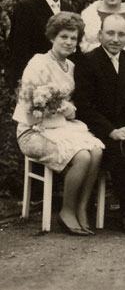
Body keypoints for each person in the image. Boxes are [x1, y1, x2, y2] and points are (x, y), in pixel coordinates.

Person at [13, 12, 104, 235]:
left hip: (62, 127)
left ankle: (81, 208)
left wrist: (69, 108)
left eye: (73, 38)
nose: (69, 42)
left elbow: (71, 103)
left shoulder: (71, 66)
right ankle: (67, 210)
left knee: (96, 152)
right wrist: (58, 107)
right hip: (33, 130)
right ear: (53, 36)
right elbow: (29, 105)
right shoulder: (38, 62)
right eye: (64, 36)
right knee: (82, 156)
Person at [74, 14, 125, 235]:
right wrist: (111, 131)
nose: (115, 39)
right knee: (123, 156)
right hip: (98, 129)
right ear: (100, 34)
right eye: (110, 33)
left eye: (121, 34)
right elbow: (84, 107)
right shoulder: (87, 61)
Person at [7, 0, 75, 89]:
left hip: (65, 82)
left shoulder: (69, 9)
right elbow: (19, 53)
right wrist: (21, 89)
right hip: (37, 83)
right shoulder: (25, 8)